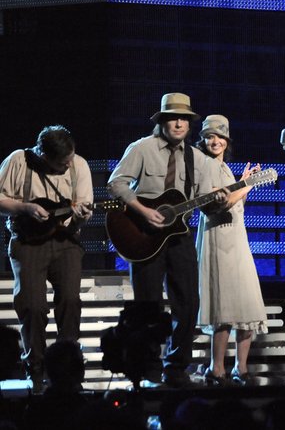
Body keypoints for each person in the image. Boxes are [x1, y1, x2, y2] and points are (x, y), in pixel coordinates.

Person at [107, 93, 226, 388]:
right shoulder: (142, 148)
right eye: (173, 117)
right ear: (162, 121)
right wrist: (143, 211)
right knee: (148, 305)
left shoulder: (198, 158)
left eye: (184, 118)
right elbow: (116, 183)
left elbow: (207, 201)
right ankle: (147, 367)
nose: (179, 123)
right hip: (143, 235)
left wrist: (220, 200)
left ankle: (177, 367)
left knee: (188, 301)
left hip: (179, 236)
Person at [0, 125, 93, 392]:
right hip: (28, 243)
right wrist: (23, 207)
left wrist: (81, 215)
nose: (67, 166)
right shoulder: (19, 161)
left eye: (69, 160)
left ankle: (67, 370)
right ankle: (36, 369)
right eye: (60, 163)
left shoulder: (79, 166)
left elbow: (82, 208)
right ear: (42, 154)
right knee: (32, 306)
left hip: (65, 242)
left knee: (70, 301)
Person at [194, 115, 269, 386]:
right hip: (218, 241)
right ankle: (217, 369)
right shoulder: (203, 166)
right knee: (223, 306)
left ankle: (242, 367)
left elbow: (235, 203)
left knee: (247, 302)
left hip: (237, 239)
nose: (215, 141)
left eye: (220, 136)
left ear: (227, 140)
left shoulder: (224, 168)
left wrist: (243, 184)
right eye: (209, 137)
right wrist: (245, 185)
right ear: (202, 140)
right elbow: (219, 203)